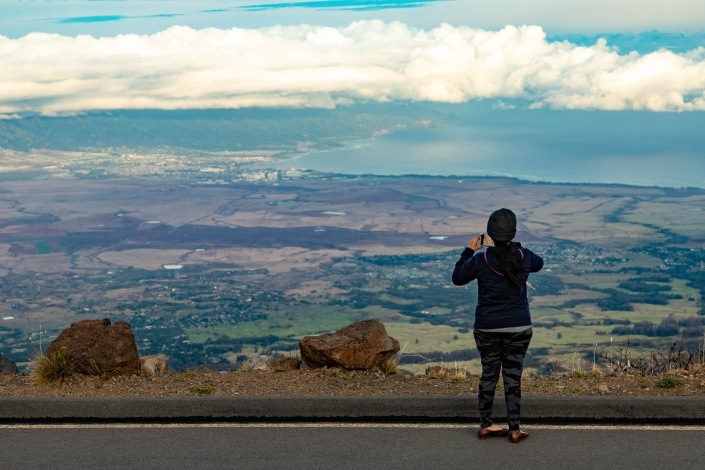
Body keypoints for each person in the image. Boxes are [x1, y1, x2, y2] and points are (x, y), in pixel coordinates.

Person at [452, 208, 543, 443]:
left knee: (489, 375)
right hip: (518, 327)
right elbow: (539, 264)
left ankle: (486, 425)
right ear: (512, 233)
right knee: (513, 376)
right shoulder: (524, 256)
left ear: (489, 234)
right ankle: (515, 429)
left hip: (486, 328)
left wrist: (469, 250)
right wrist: (514, 246)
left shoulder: (480, 259)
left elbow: (458, 277)